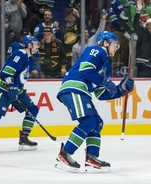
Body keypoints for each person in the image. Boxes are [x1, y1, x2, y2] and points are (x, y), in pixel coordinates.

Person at [54, 31, 134, 172]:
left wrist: (121, 90)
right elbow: (86, 70)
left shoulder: (106, 66)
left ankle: (91, 158)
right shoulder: (97, 50)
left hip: (82, 91)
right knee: (88, 122)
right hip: (74, 87)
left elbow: (101, 94)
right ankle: (64, 155)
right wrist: (104, 81)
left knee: (97, 122)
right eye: (115, 44)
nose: (117, 48)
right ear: (105, 43)